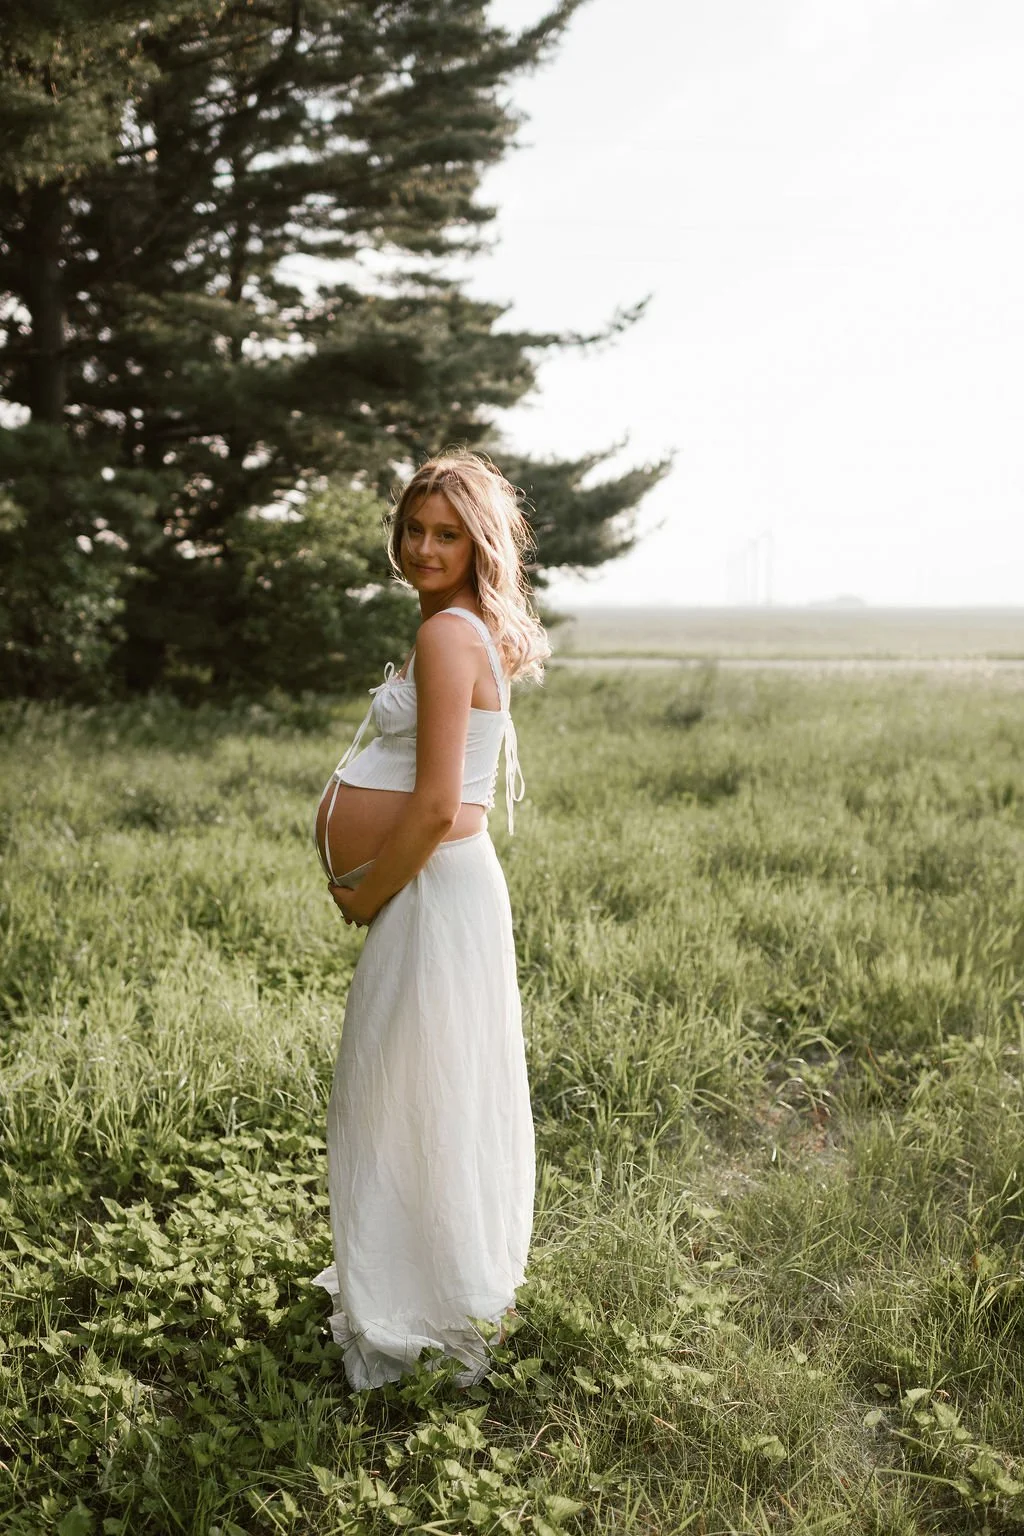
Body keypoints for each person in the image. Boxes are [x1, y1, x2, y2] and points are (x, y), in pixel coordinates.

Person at [310, 451, 550, 1389]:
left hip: (430, 883)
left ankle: (430, 1294)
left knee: (413, 1084)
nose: (423, 546)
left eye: (447, 533)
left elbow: (439, 804)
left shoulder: (451, 635)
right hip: (441, 887)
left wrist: (364, 893)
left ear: (480, 542)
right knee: (425, 1079)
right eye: (414, 528)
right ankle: (424, 1271)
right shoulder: (452, 626)